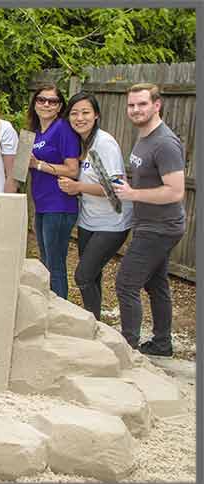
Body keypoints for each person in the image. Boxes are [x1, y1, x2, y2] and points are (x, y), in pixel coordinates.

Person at [113, 83, 186, 357]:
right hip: (149, 223)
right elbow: (151, 178)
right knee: (156, 284)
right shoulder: (145, 137)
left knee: (126, 284)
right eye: (131, 105)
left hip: (160, 227)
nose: (135, 110)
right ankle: (162, 344)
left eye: (142, 104)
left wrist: (133, 194)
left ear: (157, 105)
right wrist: (126, 186)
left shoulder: (164, 143)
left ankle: (127, 350)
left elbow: (175, 191)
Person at [57, 92, 133, 320]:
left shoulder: (104, 144)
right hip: (89, 220)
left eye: (85, 112)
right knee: (93, 276)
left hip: (112, 222)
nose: (79, 118)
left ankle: (92, 324)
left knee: (83, 276)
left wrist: (78, 187)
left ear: (96, 115)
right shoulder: (82, 143)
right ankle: (95, 324)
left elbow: (114, 189)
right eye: (74, 113)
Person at [26, 82, 81, 299]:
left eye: (53, 101)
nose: (46, 104)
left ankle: (60, 312)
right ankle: (49, 307)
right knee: (45, 261)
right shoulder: (36, 132)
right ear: (35, 103)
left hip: (59, 205)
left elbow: (72, 169)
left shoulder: (63, 129)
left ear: (59, 107)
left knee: (55, 264)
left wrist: (38, 164)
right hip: (42, 204)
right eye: (41, 100)